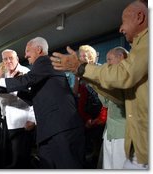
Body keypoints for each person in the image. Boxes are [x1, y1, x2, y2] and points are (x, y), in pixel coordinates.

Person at [50, 0, 148, 169]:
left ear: (140, 17)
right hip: (137, 143)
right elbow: (119, 98)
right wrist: (84, 75)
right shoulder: (139, 47)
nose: (120, 29)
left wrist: (81, 68)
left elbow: (124, 76)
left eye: (123, 21)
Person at [0, 37, 85, 169]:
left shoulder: (45, 61)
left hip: (61, 128)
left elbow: (27, 80)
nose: (25, 55)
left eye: (28, 51)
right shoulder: (39, 71)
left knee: (68, 166)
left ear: (38, 50)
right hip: (49, 130)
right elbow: (30, 94)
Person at [0, 49, 36, 169]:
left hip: (23, 123)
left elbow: (35, 97)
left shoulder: (26, 72)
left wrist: (33, 119)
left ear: (17, 59)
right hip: (7, 122)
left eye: (11, 58)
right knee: (9, 158)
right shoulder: (4, 75)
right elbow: (3, 97)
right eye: (5, 59)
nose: (8, 61)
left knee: (20, 160)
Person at [74, 45, 107, 169]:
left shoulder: (100, 69)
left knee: (99, 145)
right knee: (87, 145)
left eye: (85, 55)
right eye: (81, 56)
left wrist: (98, 118)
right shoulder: (80, 72)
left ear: (92, 56)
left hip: (100, 112)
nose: (82, 58)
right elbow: (76, 93)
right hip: (84, 114)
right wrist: (77, 78)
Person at [99, 47, 128, 169]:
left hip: (122, 133)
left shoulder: (129, 78)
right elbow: (106, 103)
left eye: (109, 60)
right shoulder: (113, 80)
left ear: (121, 57)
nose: (107, 64)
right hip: (109, 132)